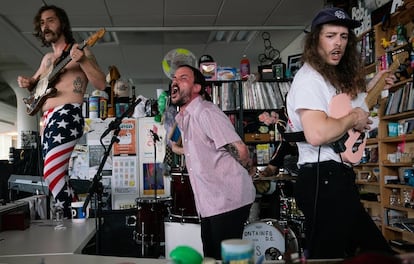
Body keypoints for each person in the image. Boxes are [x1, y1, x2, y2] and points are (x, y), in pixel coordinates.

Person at [286, 7, 397, 259]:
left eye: (344, 36)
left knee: (352, 254)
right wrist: (353, 118)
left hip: (336, 178)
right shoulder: (309, 80)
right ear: (315, 40)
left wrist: (373, 87)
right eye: (331, 35)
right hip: (321, 179)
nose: (338, 43)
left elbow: (349, 110)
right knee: (350, 254)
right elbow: (317, 133)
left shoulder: (330, 78)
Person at [17, 5, 106, 218]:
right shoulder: (47, 59)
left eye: (51, 20)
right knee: (56, 176)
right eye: (42, 23)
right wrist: (28, 82)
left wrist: (83, 60)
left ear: (62, 23)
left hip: (67, 114)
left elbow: (102, 84)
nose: (45, 26)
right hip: (47, 120)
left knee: (51, 172)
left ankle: (74, 215)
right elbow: (37, 85)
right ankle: (78, 215)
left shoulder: (80, 51)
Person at [170, 64, 256, 259]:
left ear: (197, 88)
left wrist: (249, 171)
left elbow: (240, 150)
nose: (174, 82)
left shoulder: (205, 112)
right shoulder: (187, 118)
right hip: (211, 203)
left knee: (222, 259)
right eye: (174, 78)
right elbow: (189, 148)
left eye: (182, 78)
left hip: (228, 200)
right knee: (211, 257)